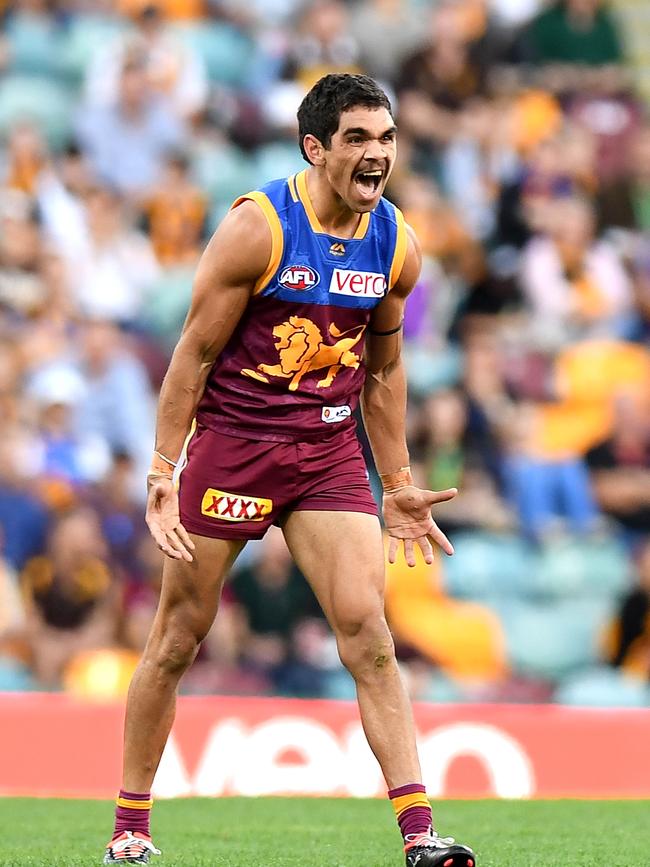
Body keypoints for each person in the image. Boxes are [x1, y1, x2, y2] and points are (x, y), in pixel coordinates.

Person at [102, 73, 476, 867]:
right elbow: (193, 355)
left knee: (371, 637)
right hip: (234, 445)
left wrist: (400, 481)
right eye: (358, 140)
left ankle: (420, 837)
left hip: (327, 452)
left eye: (387, 138)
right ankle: (130, 826)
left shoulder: (396, 242)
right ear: (316, 147)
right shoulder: (258, 228)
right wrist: (164, 466)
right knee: (176, 639)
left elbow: (384, 367)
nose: (377, 155)